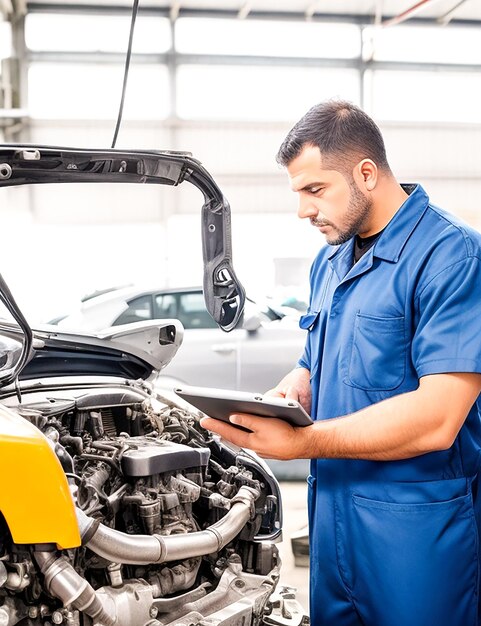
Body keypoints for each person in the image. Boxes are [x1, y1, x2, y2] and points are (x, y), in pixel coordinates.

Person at [200, 100, 481, 626]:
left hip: (414, 539)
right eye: (298, 193)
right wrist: (288, 394)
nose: (303, 210)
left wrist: (302, 443)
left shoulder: (453, 256)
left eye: (315, 190)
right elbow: (312, 364)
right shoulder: (329, 260)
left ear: (366, 174)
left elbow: (441, 418)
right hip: (332, 527)